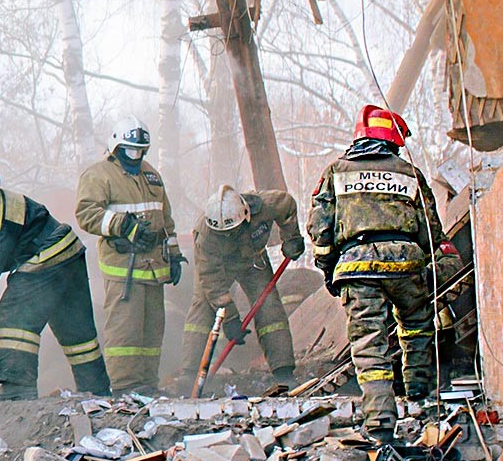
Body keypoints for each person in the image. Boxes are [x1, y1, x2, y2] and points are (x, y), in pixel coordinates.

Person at [308, 105, 441, 422]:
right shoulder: (410, 174)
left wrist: (328, 269)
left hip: (357, 266)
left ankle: (381, 422)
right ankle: (419, 397)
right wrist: (424, 261)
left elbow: (320, 228)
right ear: (392, 140)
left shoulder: (335, 172)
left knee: (370, 342)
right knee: (417, 327)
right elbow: (430, 230)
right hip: (406, 263)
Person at [0, 168, 110, 399]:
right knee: (76, 331)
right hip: (68, 254)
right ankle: (97, 391)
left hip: (48, 256)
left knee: (15, 313)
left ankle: (17, 390)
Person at [74, 118, 180, 393]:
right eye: (130, 150)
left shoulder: (151, 175)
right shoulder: (99, 175)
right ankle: (125, 388)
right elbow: (87, 214)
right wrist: (123, 225)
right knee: (125, 332)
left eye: (141, 151)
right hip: (125, 270)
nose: (136, 156)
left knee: (151, 332)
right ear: (116, 146)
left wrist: (175, 254)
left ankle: (147, 386)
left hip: (155, 268)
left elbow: (165, 218)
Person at [182, 183, 305, 388]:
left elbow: (287, 205)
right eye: (224, 233)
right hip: (219, 267)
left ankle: (283, 370)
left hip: (253, 260)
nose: (229, 235)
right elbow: (211, 280)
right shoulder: (205, 234)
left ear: (246, 215)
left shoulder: (266, 204)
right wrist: (230, 318)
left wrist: (291, 238)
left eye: (233, 230)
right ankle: (190, 374)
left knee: (269, 307)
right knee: (202, 307)